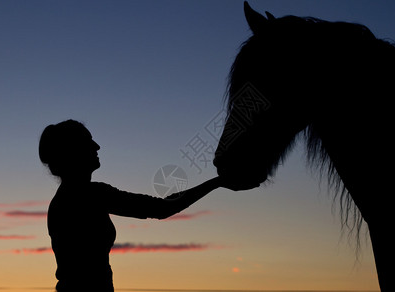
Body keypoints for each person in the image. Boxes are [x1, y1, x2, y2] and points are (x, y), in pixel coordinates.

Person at [39, 119, 259, 292]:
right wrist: (218, 182)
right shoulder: (90, 194)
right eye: (88, 142)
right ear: (73, 151)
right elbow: (161, 208)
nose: (97, 146)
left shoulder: (66, 199)